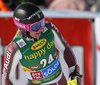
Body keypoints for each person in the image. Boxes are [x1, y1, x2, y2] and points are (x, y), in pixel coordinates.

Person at [2, 2, 82, 85]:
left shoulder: (49, 29)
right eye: (35, 27)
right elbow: (6, 76)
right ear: (24, 28)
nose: (40, 29)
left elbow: (65, 48)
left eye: (42, 23)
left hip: (60, 81)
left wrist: (74, 71)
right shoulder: (16, 47)